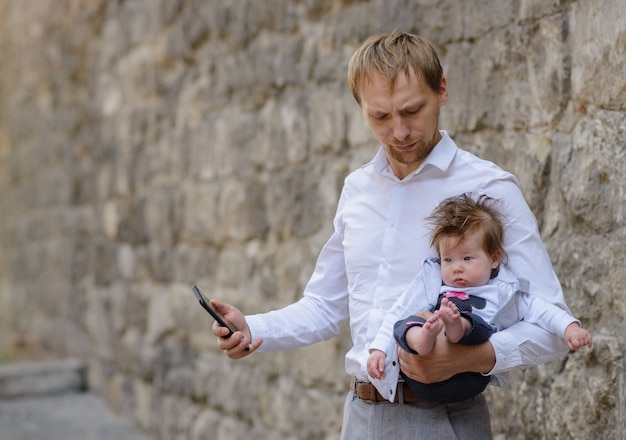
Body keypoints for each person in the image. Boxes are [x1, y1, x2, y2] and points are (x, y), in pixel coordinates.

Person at [210, 32, 575, 439]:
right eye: (379, 117)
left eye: (412, 110)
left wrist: (471, 358)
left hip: (448, 419)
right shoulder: (357, 189)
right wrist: (251, 328)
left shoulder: (490, 187)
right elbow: (324, 307)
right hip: (361, 417)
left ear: (442, 91)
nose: (399, 131)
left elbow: (551, 325)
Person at [367, 193, 592, 404]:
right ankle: (423, 338)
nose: (457, 268)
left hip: (466, 380)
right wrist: (379, 350)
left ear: (494, 258)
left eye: (467, 258)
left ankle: (456, 325)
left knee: (476, 325)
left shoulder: (503, 293)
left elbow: (543, 311)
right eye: (448, 260)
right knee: (408, 322)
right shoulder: (432, 284)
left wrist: (569, 327)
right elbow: (398, 310)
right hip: (419, 378)